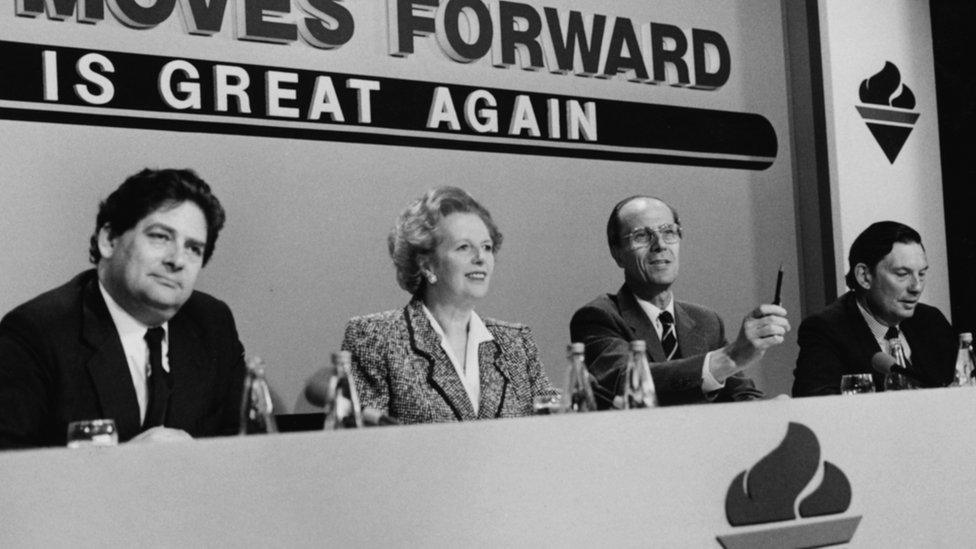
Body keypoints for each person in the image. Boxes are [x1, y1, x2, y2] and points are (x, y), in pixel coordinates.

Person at [0, 168, 246, 449]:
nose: (177, 260)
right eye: (160, 236)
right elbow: (8, 473)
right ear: (109, 240)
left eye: (193, 249)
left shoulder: (213, 324)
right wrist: (126, 465)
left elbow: (250, 447)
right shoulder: (36, 334)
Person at [341, 186, 558, 423]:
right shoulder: (376, 338)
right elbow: (365, 444)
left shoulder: (516, 343)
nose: (480, 258)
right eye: (464, 247)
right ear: (427, 265)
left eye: (486, 247)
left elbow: (554, 424)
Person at [569, 196, 791, 407]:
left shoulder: (705, 321)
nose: (660, 245)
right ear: (617, 253)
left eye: (669, 232)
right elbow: (630, 384)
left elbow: (739, 394)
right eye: (642, 236)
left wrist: (770, 410)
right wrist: (729, 357)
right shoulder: (598, 317)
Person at [793, 221, 955, 396]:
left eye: (921, 274)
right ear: (864, 276)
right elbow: (818, 406)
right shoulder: (826, 329)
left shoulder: (930, 320)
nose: (916, 287)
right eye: (902, 274)